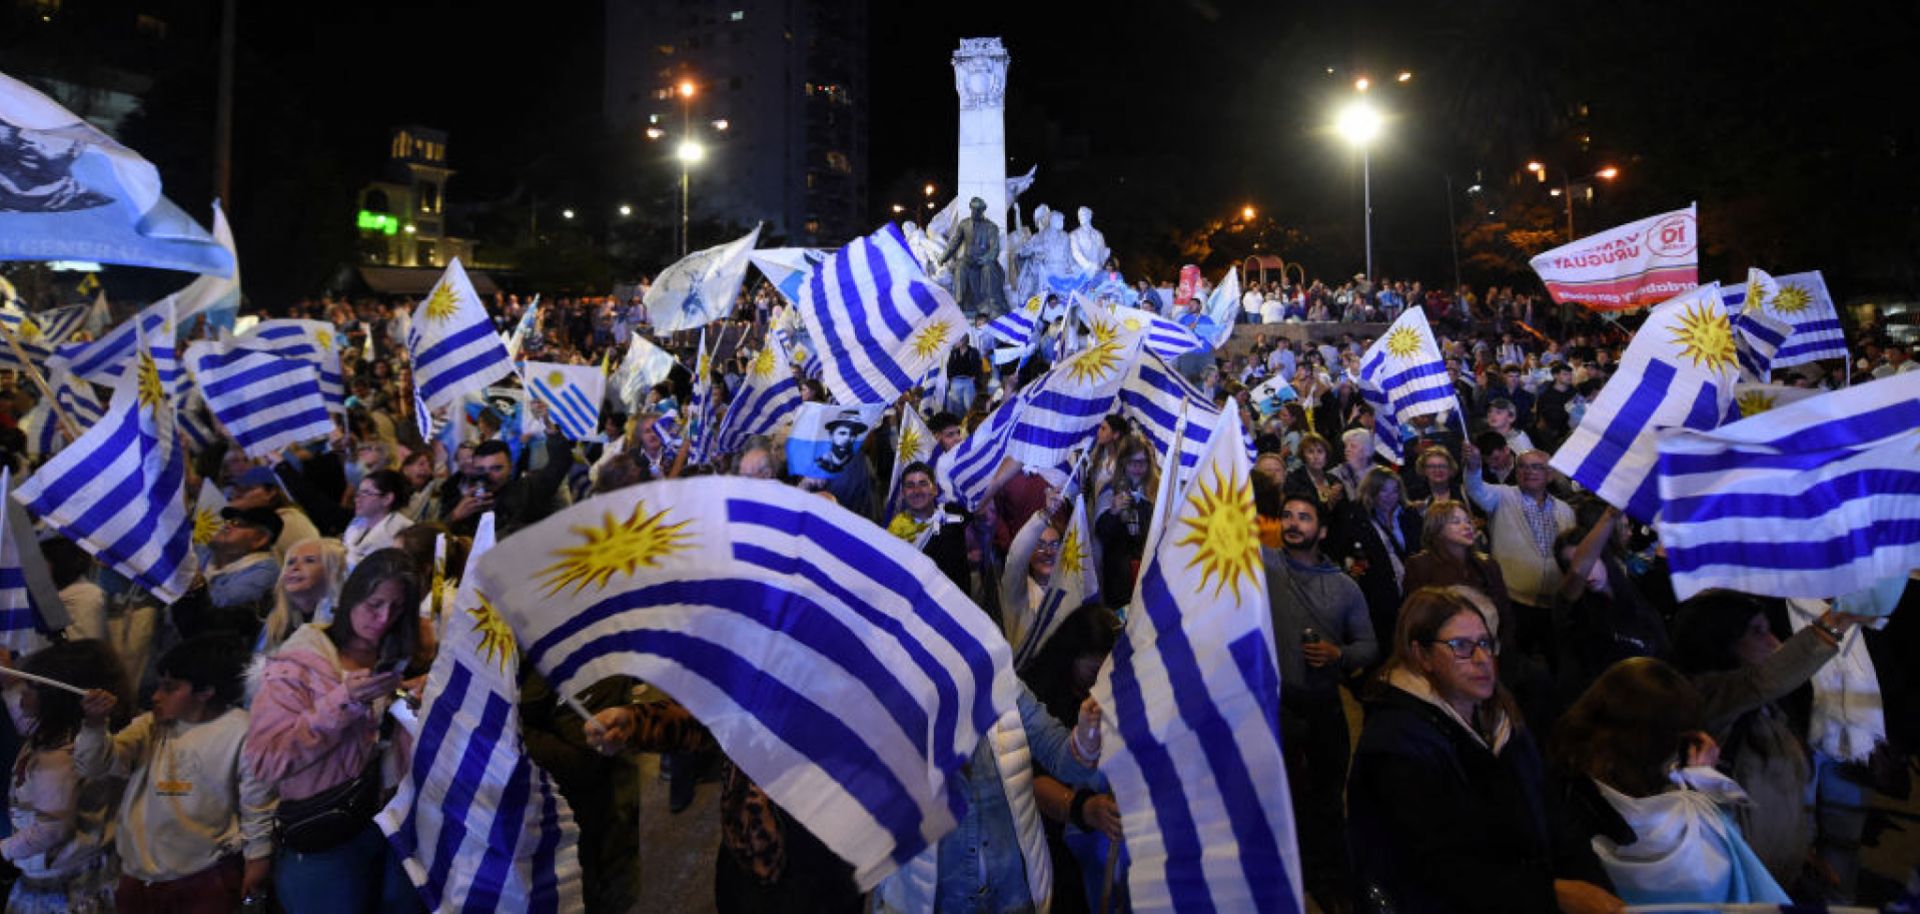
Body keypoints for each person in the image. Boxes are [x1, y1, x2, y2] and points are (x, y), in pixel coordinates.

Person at [1346, 588, 1621, 914]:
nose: (1482, 659)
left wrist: (1592, 883)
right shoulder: (1396, 746)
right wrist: (1554, 894)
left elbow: (1551, 813)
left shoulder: (1500, 718)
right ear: (1422, 656)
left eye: (1486, 643)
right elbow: (1444, 867)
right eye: (1461, 646)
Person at [243, 549, 423, 914]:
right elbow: (266, 759)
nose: (384, 618)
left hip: (391, 825)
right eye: (374, 604)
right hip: (325, 834)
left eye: (397, 608)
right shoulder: (299, 663)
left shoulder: (398, 655)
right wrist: (343, 702)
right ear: (352, 597)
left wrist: (420, 700)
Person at [1669, 591, 1868, 892]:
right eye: (1758, 632)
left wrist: (1802, 854)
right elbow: (1763, 681)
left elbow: (1788, 796)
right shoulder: (1704, 698)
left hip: (1776, 879)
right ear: (1719, 640)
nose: (1774, 643)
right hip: (1733, 886)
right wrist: (1838, 620)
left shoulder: (1770, 709)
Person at [1550, 658, 1788, 905]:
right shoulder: (1691, 823)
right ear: (1667, 745)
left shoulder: (1557, 787)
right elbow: (1725, 876)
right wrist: (1703, 788)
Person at [76, 634, 275, 914]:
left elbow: (258, 805)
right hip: (138, 876)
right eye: (159, 686)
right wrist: (94, 725)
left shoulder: (243, 732)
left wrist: (258, 860)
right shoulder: (148, 725)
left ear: (206, 691)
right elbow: (94, 766)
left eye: (170, 688)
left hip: (204, 878)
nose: (156, 696)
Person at [1263, 492, 1376, 911]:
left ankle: (1327, 880)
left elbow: (1368, 645)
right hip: (1277, 705)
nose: (1294, 524)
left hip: (1324, 705)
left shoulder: (1344, 587)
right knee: (1282, 795)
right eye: (1288, 516)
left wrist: (1338, 655)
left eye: (1305, 518)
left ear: (1322, 530)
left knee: (1327, 797)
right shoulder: (1264, 564)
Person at [0, 641, 127, 914]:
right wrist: (9, 679)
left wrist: (3, 849)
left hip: (65, 888)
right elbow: (22, 714)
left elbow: (53, 828)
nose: (23, 693)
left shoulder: (57, 757)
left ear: (55, 698)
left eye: (31, 688)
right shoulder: (61, 733)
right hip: (73, 872)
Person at [1463, 444, 1573, 662]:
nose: (1529, 471)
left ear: (1550, 475)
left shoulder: (1565, 510)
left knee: (1556, 665)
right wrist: (1474, 466)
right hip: (1512, 604)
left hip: (1553, 606)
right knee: (1514, 665)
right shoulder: (1502, 496)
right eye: (1522, 466)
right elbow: (1475, 488)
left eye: (1536, 467)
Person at [1327, 467, 1419, 652]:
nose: (1390, 496)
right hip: (1379, 597)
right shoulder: (1357, 518)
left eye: (1394, 490)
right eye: (1384, 490)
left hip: (1412, 592)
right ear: (1372, 491)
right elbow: (1344, 552)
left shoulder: (1408, 515)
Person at [885, 462, 971, 592]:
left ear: (935, 489)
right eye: (910, 486)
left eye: (923, 484)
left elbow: (983, 519)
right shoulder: (894, 534)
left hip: (958, 603)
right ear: (902, 493)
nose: (917, 491)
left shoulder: (953, 514)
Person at [256, 538, 348, 656]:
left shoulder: (343, 621)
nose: (295, 568)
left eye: (309, 561)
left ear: (332, 572)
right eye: (290, 562)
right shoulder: (274, 620)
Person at [1092, 437, 1155, 609]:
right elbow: (1101, 535)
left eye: (1143, 463)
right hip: (1117, 576)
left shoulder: (1150, 493)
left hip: (1141, 574)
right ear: (1123, 463)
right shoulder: (1109, 492)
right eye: (1133, 462)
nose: (1138, 468)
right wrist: (1113, 512)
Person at [341, 469, 411, 569]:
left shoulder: (404, 530)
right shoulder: (357, 521)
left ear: (387, 499)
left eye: (365, 493)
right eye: (358, 493)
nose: (357, 499)